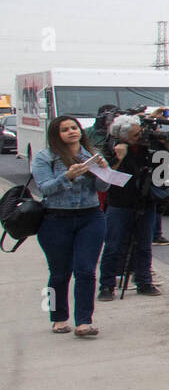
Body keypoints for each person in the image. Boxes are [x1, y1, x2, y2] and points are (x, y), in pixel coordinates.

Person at [30, 115, 107, 337]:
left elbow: (104, 187)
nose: (72, 132)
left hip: (90, 218)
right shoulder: (45, 158)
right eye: (65, 129)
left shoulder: (91, 156)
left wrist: (103, 169)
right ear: (57, 135)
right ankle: (58, 318)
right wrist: (68, 176)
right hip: (56, 220)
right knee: (59, 273)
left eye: (74, 128)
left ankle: (84, 322)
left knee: (85, 270)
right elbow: (44, 189)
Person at [97, 115, 161, 299]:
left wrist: (163, 144)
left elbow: (166, 161)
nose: (140, 137)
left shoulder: (147, 146)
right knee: (114, 245)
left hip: (145, 199)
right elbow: (105, 177)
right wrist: (119, 157)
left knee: (144, 244)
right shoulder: (111, 148)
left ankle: (144, 281)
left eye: (140, 132)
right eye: (135, 135)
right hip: (120, 203)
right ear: (123, 136)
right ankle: (107, 285)